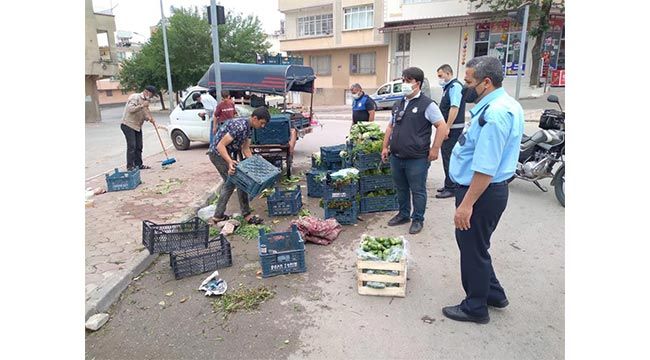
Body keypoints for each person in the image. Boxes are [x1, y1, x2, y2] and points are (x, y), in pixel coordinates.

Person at [442, 56, 524, 324]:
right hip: (487, 191)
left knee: (471, 250)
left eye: (468, 82)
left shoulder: (495, 114)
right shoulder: (505, 104)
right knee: (477, 246)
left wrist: (466, 205)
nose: (465, 87)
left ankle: (475, 307)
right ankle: (494, 294)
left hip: (480, 192)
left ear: (486, 83)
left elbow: (486, 167)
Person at [380, 67, 448, 234]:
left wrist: (435, 148)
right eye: (403, 80)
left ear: (417, 83)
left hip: (417, 158)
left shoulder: (427, 105)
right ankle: (403, 214)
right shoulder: (398, 103)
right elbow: (390, 126)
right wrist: (384, 147)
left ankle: (418, 218)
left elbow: (442, 126)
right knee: (400, 188)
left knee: (417, 190)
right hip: (396, 156)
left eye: (408, 81)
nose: (404, 84)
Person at [208, 107, 270, 225]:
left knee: (241, 181)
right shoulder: (240, 126)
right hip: (217, 154)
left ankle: (243, 214)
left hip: (226, 154)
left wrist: (255, 165)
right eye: (261, 123)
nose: (262, 126)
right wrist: (230, 161)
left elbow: (245, 149)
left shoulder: (249, 129)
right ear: (255, 118)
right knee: (232, 183)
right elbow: (220, 146)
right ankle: (219, 216)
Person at [435, 64, 467, 199]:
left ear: (448, 74)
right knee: (447, 156)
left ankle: (451, 187)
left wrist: (447, 127)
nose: (439, 79)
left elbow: (454, 108)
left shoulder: (455, 87)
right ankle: (449, 183)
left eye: (440, 76)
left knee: (449, 157)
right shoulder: (448, 88)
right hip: (450, 128)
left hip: (453, 129)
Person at [120, 85, 157, 171]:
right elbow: (130, 109)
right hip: (128, 124)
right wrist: (142, 105)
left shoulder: (146, 101)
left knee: (139, 146)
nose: (151, 97)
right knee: (132, 146)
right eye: (151, 95)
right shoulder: (135, 97)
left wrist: (149, 119)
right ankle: (130, 166)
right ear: (146, 92)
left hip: (137, 126)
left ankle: (138, 164)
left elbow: (144, 113)